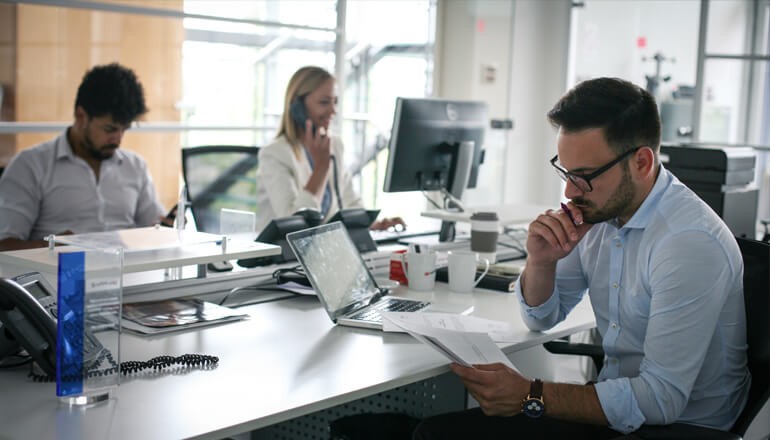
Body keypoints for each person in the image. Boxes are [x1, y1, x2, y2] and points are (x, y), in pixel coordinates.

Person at [413, 77, 750, 438]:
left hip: (681, 428)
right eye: (566, 172)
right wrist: (541, 262)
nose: (570, 191)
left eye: (584, 176)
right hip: (620, 408)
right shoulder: (602, 214)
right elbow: (541, 319)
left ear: (641, 162)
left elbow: (659, 401)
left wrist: (529, 394)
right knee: (435, 431)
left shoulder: (688, 242)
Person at [0, 63, 168, 252]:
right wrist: (53, 247)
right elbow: (4, 245)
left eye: (124, 129)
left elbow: (155, 226)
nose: (118, 139)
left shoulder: (135, 166)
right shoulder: (30, 166)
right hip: (62, 269)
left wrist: (168, 227)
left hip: (126, 268)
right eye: (110, 129)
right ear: (81, 116)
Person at [255, 66, 403, 232]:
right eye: (324, 102)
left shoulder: (334, 146)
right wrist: (321, 168)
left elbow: (350, 202)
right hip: (283, 248)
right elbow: (292, 223)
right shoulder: (275, 154)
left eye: (335, 102)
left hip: (323, 245)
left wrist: (374, 225)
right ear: (297, 106)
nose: (333, 111)